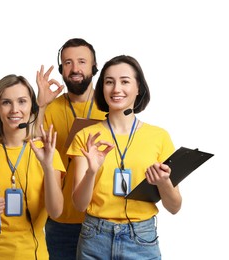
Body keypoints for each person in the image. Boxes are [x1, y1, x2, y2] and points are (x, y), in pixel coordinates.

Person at [67, 55, 182, 259]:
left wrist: (164, 182)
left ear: (139, 88)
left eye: (125, 81)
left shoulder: (159, 137)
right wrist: (91, 171)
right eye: (109, 82)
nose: (116, 89)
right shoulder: (86, 136)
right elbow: (79, 204)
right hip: (95, 237)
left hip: (141, 239)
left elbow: (174, 207)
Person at [0, 74, 65, 260]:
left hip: (31, 254)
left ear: (32, 107)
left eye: (22, 101)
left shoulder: (47, 152)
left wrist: (47, 166)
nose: (15, 109)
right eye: (6, 102)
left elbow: (55, 212)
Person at [36, 38, 107, 260]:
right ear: (61, 69)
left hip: (102, 219)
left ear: (94, 67)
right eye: (67, 62)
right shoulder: (50, 108)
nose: (75, 69)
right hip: (61, 221)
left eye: (81, 62)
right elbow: (30, 149)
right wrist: (40, 105)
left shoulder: (110, 105)